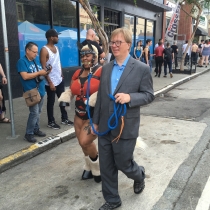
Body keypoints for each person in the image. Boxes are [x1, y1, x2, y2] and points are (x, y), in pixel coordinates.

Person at [91, 27, 154, 210]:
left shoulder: (141, 68)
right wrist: (95, 121)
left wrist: (130, 98)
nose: (115, 45)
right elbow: (102, 97)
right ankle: (112, 200)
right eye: (113, 42)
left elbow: (149, 95)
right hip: (104, 126)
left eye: (119, 42)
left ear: (128, 45)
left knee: (123, 163)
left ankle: (139, 175)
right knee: (106, 165)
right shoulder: (106, 68)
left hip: (126, 126)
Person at [69, 43, 102, 183]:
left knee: (85, 141)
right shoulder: (77, 73)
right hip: (78, 114)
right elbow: (72, 89)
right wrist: (65, 97)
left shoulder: (102, 71)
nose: (84, 58)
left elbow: (108, 91)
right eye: (82, 56)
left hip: (93, 115)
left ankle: (98, 168)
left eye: (87, 55)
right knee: (82, 144)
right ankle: (88, 167)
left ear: (94, 56)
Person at [40, 29, 73, 129]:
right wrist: (50, 82)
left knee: (63, 99)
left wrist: (61, 74)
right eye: (56, 36)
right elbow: (43, 68)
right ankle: (51, 121)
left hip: (59, 79)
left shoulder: (56, 48)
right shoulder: (44, 50)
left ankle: (65, 118)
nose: (58, 38)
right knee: (51, 102)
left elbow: (58, 62)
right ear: (51, 37)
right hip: (50, 82)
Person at [16, 42, 49, 143]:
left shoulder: (36, 61)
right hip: (31, 92)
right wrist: (40, 72)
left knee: (38, 112)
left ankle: (36, 129)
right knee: (34, 113)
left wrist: (46, 71)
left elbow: (39, 75)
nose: (36, 54)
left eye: (37, 52)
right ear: (27, 50)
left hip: (41, 90)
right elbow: (25, 76)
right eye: (34, 52)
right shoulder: (22, 61)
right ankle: (29, 133)